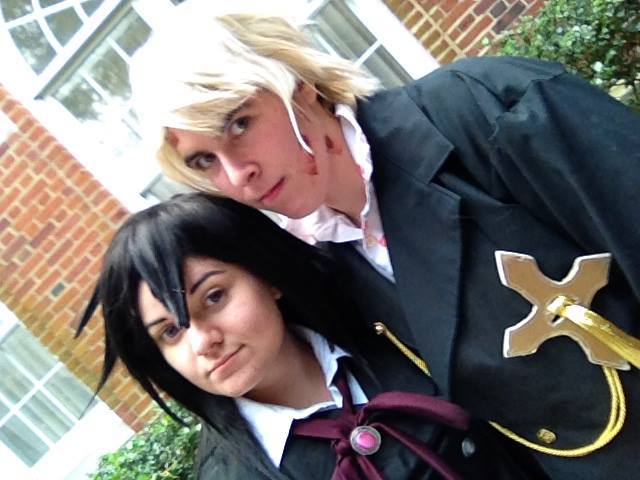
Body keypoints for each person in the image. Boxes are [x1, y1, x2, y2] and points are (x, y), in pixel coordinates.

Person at [128, 2, 640, 479]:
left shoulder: (482, 109)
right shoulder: (327, 272)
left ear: (298, 86)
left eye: (239, 124)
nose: (238, 174)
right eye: (204, 160)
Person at [77, 193, 547, 479]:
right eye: (170, 332)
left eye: (214, 297)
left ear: (267, 276)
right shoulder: (228, 474)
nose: (203, 342)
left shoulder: (391, 327)